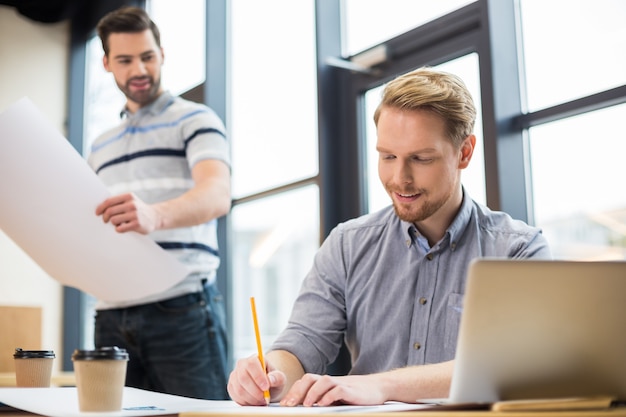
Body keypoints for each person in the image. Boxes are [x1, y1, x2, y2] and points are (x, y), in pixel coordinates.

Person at [227, 67, 551, 406]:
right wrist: (271, 373)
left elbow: (515, 363)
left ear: (465, 152)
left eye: (421, 158)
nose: (399, 178)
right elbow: (304, 342)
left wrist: (382, 386)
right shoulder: (347, 245)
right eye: (387, 157)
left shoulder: (518, 250)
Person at [87, 6, 231, 400]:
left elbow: (218, 193)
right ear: (106, 63)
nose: (139, 69)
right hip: (110, 314)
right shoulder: (100, 146)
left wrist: (155, 214)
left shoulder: (196, 119)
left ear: (162, 54)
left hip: (181, 307)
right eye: (125, 60)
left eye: (147, 56)